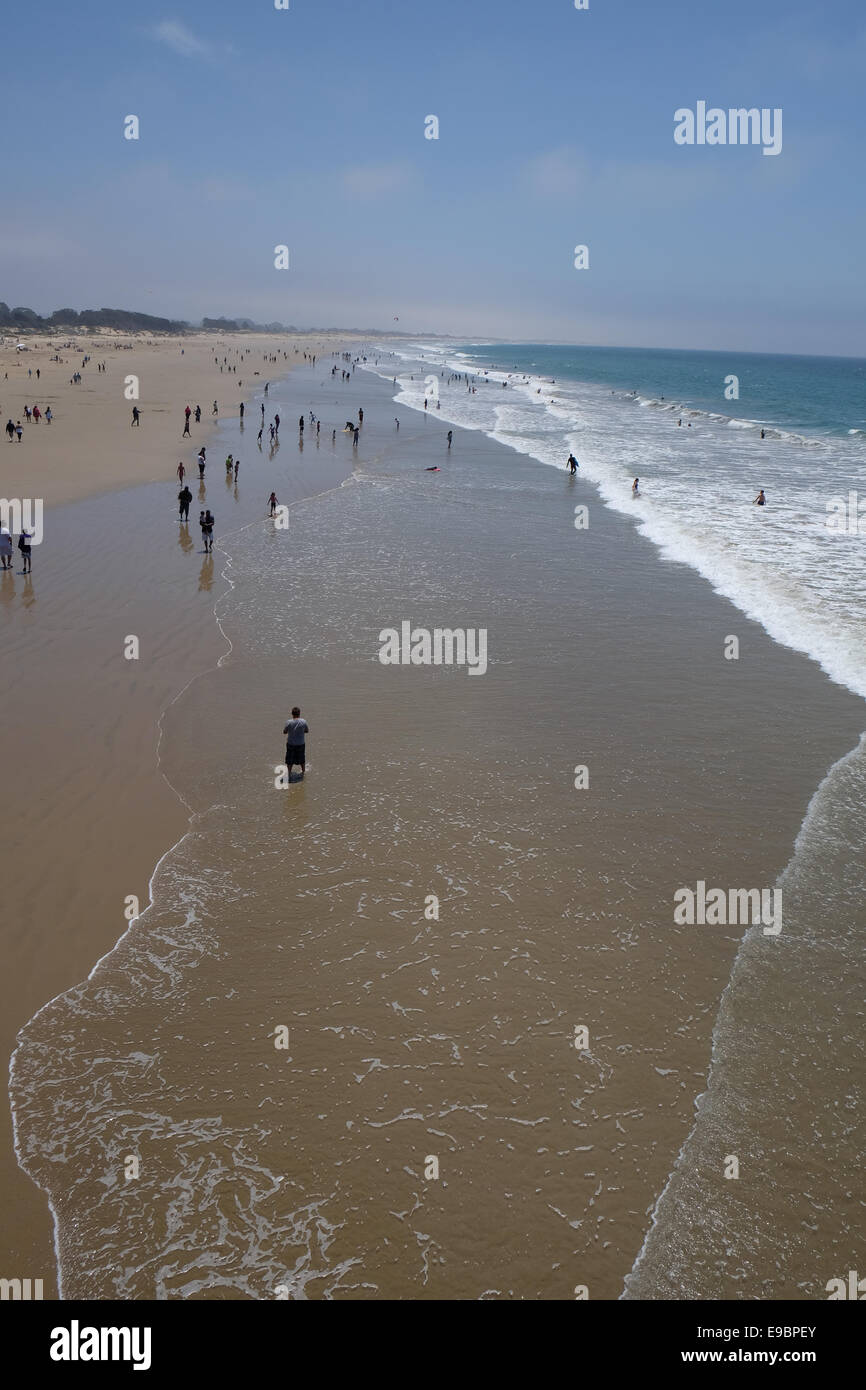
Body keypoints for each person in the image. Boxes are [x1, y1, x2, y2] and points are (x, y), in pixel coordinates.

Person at [283, 705, 309, 780]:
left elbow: (284, 732)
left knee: (289, 759)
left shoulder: (288, 722)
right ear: (299, 713)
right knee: (301, 758)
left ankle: (289, 773)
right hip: (301, 743)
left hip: (291, 743)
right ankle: (303, 772)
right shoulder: (303, 721)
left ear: (292, 714)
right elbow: (307, 731)